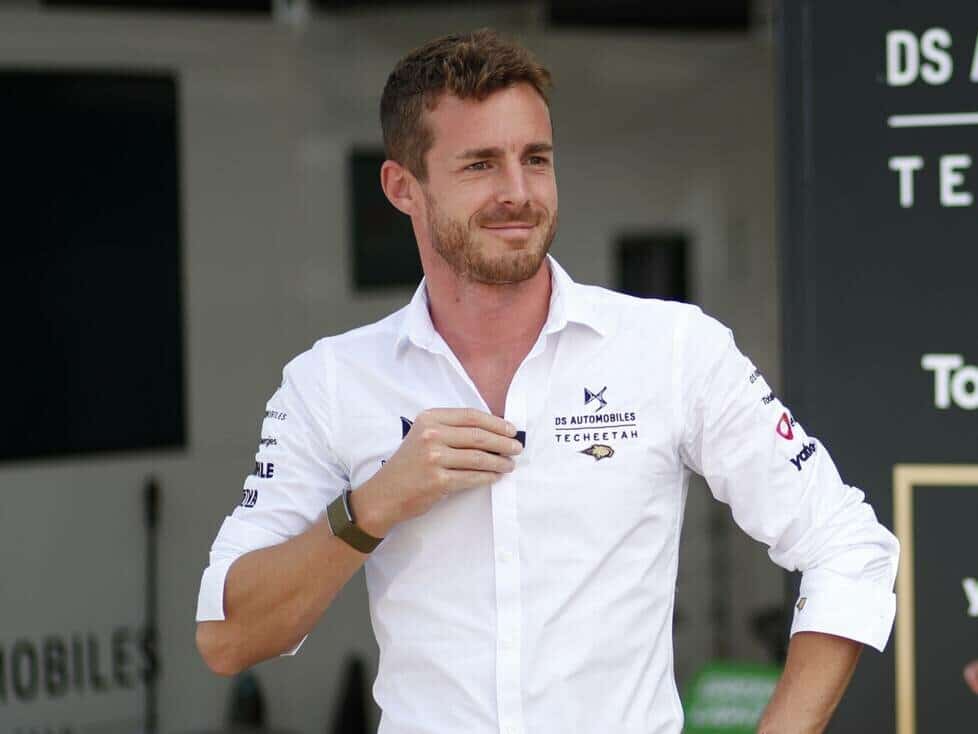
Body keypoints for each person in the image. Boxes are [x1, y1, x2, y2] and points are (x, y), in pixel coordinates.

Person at [196, 28, 900, 734]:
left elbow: (846, 544)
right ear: (402, 187)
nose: (519, 192)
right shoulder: (330, 381)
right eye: (480, 164)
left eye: (535, 158)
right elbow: (227, 638)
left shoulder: (673, 348)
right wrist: (373, 506)